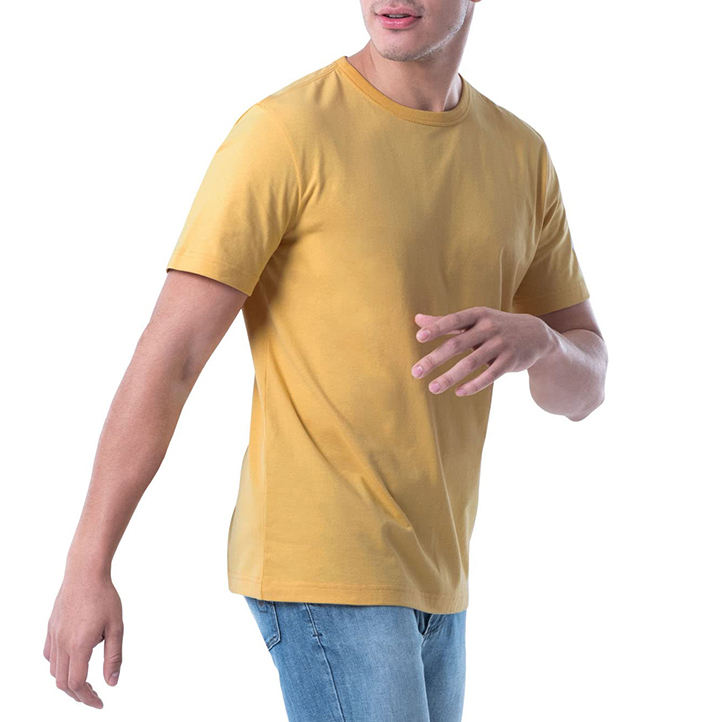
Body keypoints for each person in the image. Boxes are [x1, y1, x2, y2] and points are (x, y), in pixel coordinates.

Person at [43, 0, 608, 719]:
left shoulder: (520, 156)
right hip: (325, 561)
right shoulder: (285, 132)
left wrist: (541, 344)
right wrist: (87, 565)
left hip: (440, 577)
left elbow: (583, 388)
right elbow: (172, 355)